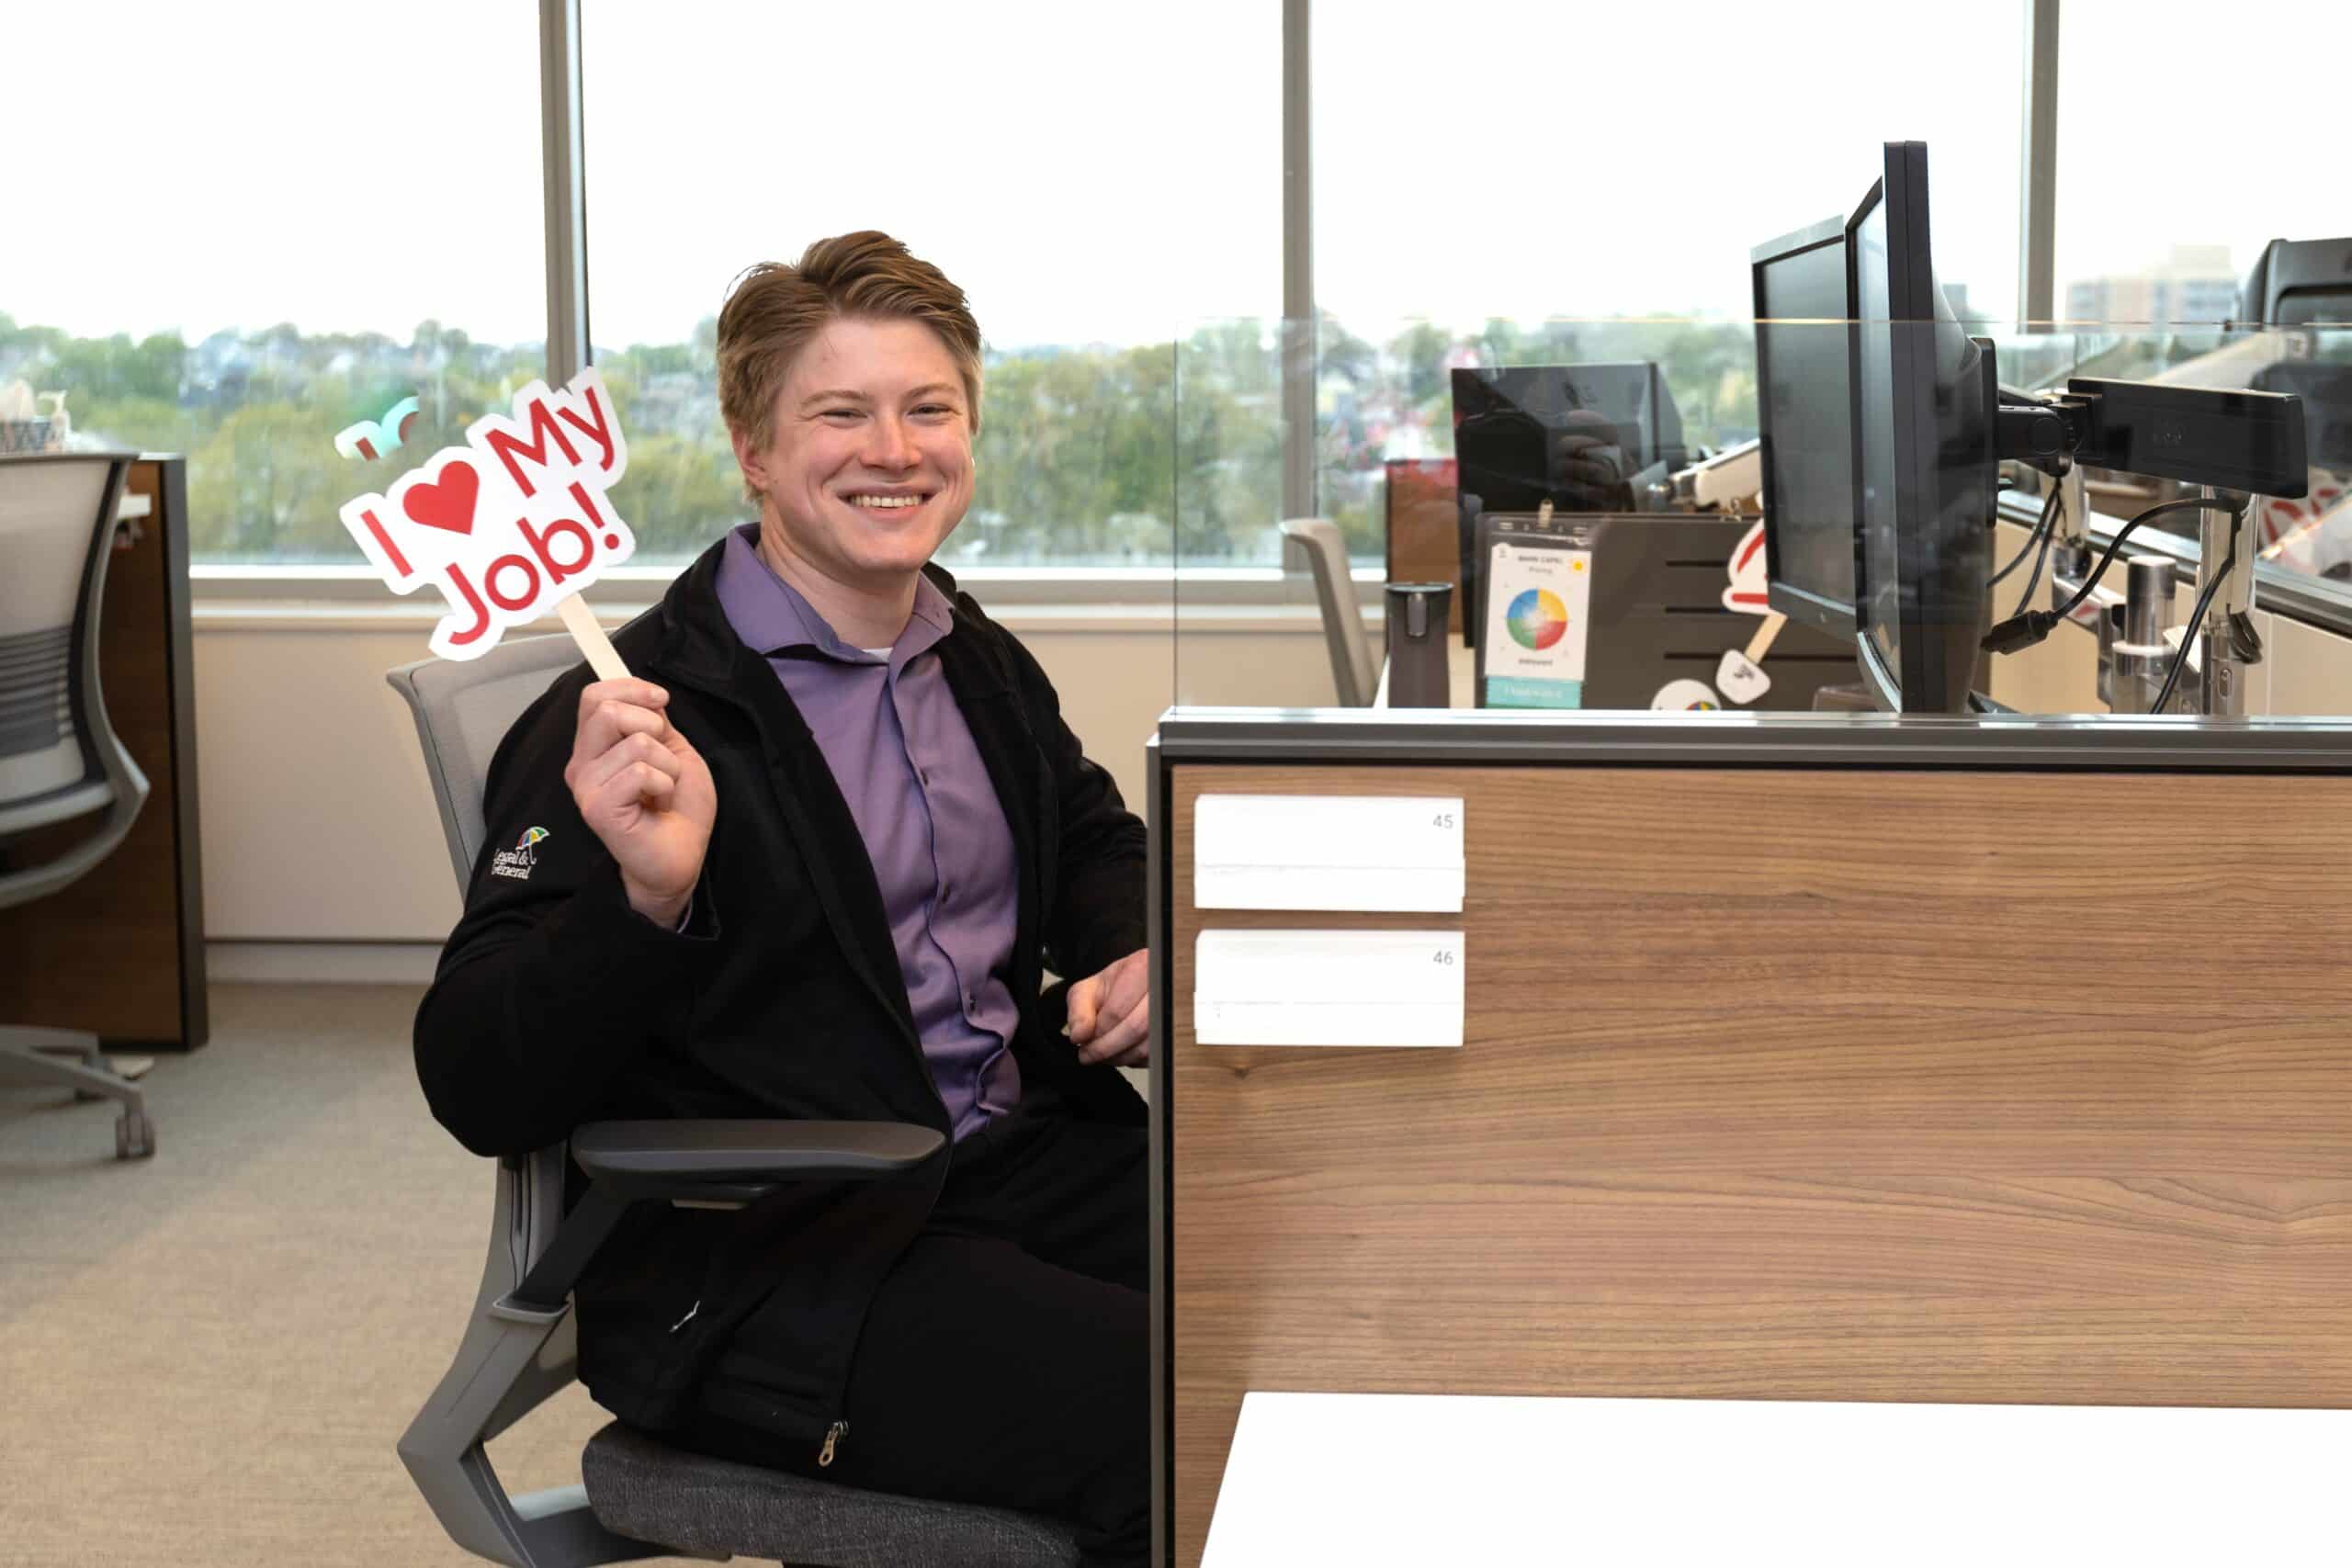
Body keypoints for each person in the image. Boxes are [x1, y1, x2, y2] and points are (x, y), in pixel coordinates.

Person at [413, 231, 1152, 1564]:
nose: (896, 448)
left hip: (1005, 1161)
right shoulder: (633, 723)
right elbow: (477, 1080)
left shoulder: (961, 649)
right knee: (1184, 1414)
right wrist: (643, 900)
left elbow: (1093, 836)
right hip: (786, 1258)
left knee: (1334, 1300)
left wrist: (1131, 941)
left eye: (929, 409)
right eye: (840, 413)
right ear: (754, 449)